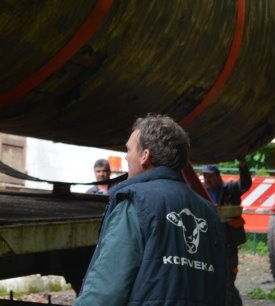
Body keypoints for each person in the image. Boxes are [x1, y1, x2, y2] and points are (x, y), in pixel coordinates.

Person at [75, 114, 226, 305]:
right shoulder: (210, 213)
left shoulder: (136, 204)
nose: (126, 156)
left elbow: (105, 293)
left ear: (144, 156)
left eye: (129, 150)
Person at [203, 160, 252, 306]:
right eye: (205, 176)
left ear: (218, 176)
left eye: (210, 176)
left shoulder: (231, 189)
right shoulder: (201, 192)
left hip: (229, 245)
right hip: (209, 245)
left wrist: (243, 165)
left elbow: (246, 185)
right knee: (212, 282)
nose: (207, 179)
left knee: (228, 282)